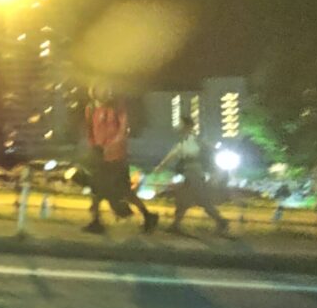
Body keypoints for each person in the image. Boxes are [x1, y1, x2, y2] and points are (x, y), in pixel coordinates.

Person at [81, 85, 158, 234]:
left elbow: (122, 131)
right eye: (99, 89)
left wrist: (110, 147)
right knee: (96, 190)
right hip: (100, 157)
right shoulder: (91, 109)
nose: (104, 92)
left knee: (124, 191)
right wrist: (94, 148)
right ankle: (96, 221)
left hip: (117, 157)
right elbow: (90, 131)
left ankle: (148, 215)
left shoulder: (117, 109)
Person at [157, 115, 229, 236]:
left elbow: (180, 153)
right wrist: (161, 165)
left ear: (187, 126)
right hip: (191, 175)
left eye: (181, 124)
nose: (178, 126)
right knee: (191, 201)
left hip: (194, 175)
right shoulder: (186, 141)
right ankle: (220, 222)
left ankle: (221, 222)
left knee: (193, 201)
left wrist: (161, 166)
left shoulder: (194, 141)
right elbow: (174, 153)